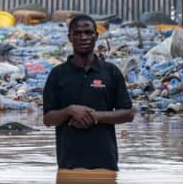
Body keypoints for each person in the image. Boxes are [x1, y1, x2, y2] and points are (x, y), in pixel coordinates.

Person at [42, 14, 135, 170]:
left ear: (96, 36)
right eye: (77, 33)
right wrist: (70, 111)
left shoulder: (111, 72)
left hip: (106, 165)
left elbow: (128, 114)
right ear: (69, 37)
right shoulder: (58, 75)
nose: (83, 37)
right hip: (68, 166)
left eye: (88, 32)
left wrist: (96, 116)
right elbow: (48, 120)